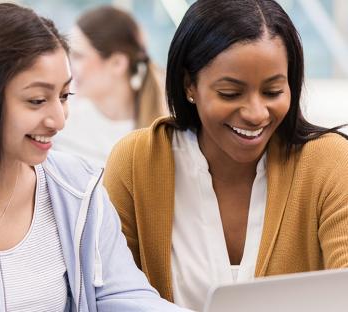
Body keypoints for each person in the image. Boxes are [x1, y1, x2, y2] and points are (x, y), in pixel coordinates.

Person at [0, 3, 192, 311]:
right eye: (37, 100)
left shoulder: (78, 186)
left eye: (64, 96)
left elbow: (123, 295)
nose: (58, 119)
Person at [104, 0, 348, 311]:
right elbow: (110, 295)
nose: (256, 113)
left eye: (273, 91)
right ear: (189, 84)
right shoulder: (138, 162)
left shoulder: (329, 162)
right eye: (230, 93)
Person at [54, 5, 165, 166]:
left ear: (117, 63)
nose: (69, 66)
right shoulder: (62, 121)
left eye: (78, 56)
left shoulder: (161, 135)